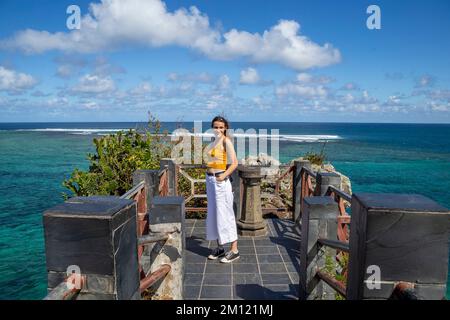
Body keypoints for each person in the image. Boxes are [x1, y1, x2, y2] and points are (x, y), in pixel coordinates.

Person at [204, 115, 239, 263]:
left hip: (220, 182)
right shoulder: (213, 142)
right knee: (214, 214)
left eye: (221, 127)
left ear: (225, 128)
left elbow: (235, 163)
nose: (218, 129)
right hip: (210, 181)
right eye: (215, 127)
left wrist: (223, 175)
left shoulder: (226, 141)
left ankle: (234, 250)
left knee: (226, 215)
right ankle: (220, 248)